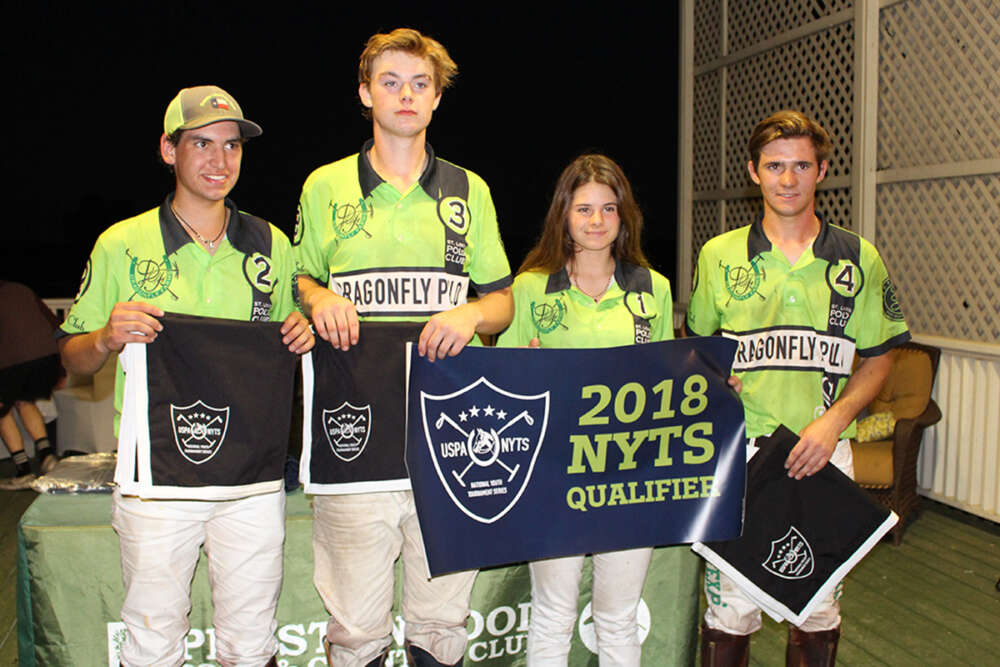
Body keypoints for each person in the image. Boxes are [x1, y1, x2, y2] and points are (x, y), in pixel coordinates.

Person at [58, 85, 313, 667]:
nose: (219, 160)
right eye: (201, 143)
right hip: (156, 482)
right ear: (169, 151)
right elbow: (73, 360)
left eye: (231, 146)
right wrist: (104, 337)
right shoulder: (121, 244)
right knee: (153, 641)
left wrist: (301, 332)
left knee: (252, 642)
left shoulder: (272, 246)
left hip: (251, 481)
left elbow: (294, 332)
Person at [294, 28, 514, 667]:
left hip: (451, 439)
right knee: (357, 627)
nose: (406, 95)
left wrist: (473, 314)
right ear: (365, 93)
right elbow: (297, 279)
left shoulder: (468, 191)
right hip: (352, 433)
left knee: (442, 620)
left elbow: (501, 302)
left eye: (421, 84)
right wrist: (318, 298)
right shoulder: (325, 187)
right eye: (390, 82)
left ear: (438, 97)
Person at [686, 110, 910, 665]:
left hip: (823, 453)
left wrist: (833, 422)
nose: (788, 179)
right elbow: (695, 349)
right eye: (775, 166)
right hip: (741, 455)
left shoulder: (860, 257)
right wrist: (714, 375)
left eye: (801, 166)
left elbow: (881, 358)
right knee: (730, 612)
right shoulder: (719, 255)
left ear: (822, 171)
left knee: (816, 607)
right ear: (753, 172)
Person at [497, 154, 677, 666]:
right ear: (563, 215)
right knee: (552, 613)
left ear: (624, 217)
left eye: (608, 208)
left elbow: (665, 388)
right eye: (583, 209)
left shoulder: (653, 289)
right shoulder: (531, 287)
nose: (596, 221)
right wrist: (523, 372)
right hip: (554, 474)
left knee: (618, 618)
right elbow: (507, 382)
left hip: (630, 475)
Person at [0, 280, 62, 489]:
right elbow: (53, 322)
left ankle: (23, 470)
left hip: (12, 361)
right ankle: (47, 457)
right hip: (47, 357)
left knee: (2, 410)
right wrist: (61, 368)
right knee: (24, 400)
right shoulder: (21, 288)